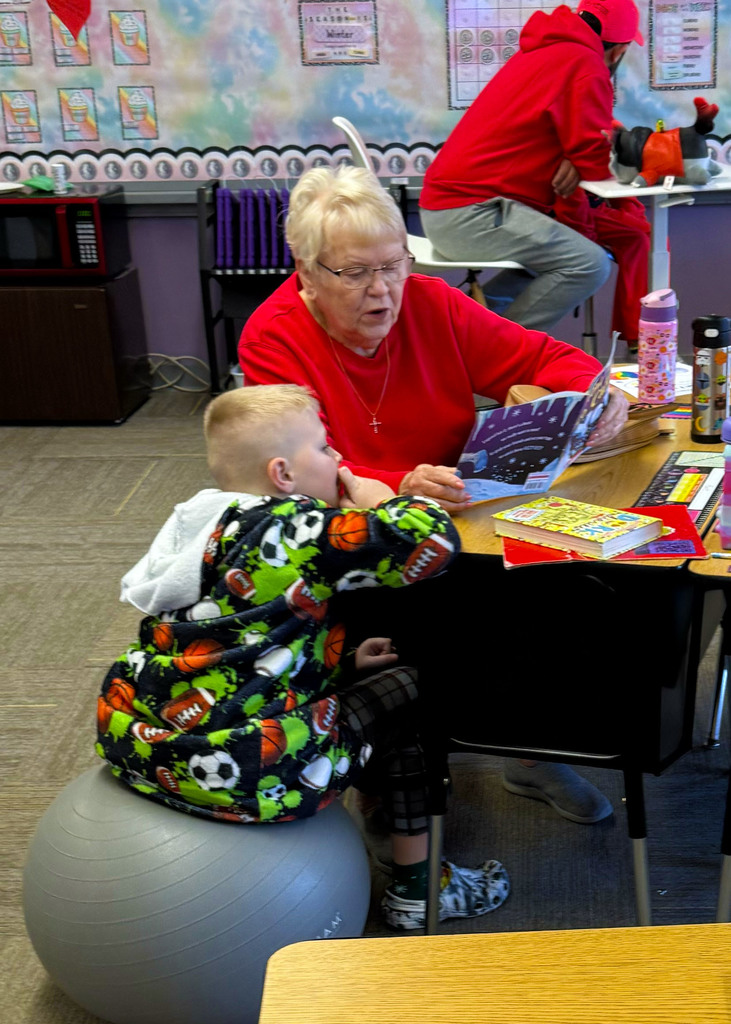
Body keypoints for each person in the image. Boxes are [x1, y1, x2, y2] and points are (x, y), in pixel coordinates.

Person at [238, 163, 629, 826]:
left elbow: (541, 356)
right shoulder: (272, 337)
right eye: (354, 272)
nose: (382, 290)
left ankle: (526, 750)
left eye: (393, 265)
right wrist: (395, 485)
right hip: (352, 547)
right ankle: (402, 790)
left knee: (575, 587)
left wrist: (600, 395)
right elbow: (302, 475)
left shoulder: (432, 304)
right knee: (432, 632)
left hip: (457, 519)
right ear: (305, 270)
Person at [96, 384, 509, 931]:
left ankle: (380, 821)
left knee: (371, 677)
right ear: (283, 475)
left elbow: (240, 641)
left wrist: (341, 663)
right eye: (323, 447)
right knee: (411, 688)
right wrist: (377, 497)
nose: (337, 459)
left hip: (150, 745)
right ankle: (420, 888)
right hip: (249, 767)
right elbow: (431, 542)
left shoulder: (200, 523)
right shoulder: (298, 525)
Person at [418, 0, 646, 335]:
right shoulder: (586, 65)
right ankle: (495, 350)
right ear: (619, 51)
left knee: (556, 258)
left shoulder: (546, 49)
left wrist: (579, 154)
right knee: (588, 264)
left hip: (446, 210)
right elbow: (595, 163)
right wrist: (585, 155)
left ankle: (468, 326)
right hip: (471, 215)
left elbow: (579, 144)